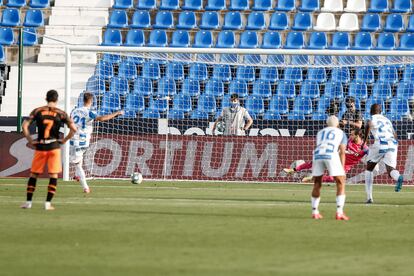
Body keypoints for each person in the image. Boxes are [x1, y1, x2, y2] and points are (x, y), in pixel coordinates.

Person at [21, 90, 77, 210]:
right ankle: (47, 204)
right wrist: (64, 140)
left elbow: (24, 126)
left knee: (34, 174)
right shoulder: (61, 113)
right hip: (54, 147)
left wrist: (30, 140)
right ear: (56, 100)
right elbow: (74, 129)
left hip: (41, 146)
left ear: (46, 98)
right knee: (53, 175)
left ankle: (28, 202)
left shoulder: (38, 111)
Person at [70, 92, 124, 193]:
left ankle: (85, 187)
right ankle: (78, 176)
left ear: (83, 100)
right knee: (78, 163)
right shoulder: (89, 112)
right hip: (84, 142)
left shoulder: (74, 111)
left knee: (77, 164)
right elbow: (102, 118)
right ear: (91, 101)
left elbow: (70, 122)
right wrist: (117, 113)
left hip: (75, 141)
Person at [283, 128, 368, 183]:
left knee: (332, 178)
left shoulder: (364, 148)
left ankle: (313, 178)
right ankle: (292, 170)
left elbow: (369, 154)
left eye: (352, 134)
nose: (350, 136)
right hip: (337, 158)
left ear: (357, 136)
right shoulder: (349, 140)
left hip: (345, 165)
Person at [362, 104, 403, 204]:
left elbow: (368, 124)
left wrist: (364, 142)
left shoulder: (372, 118)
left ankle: (369, 197)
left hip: (380, 143)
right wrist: (395, 144)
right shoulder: (387, 120)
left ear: (371, 111)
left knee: (369, 169)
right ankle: (398, 178)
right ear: (381, 111)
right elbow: (394, 134)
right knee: (390, 170)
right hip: (393, 144)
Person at [311, 115, 349, 220]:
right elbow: (342, 152)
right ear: (337, 124)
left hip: (318, 154)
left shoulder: (320, 132)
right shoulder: (341, 133)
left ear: (327, 124)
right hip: (331, 154)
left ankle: (314, 211)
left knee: (317, 183)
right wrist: (342, 169)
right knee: (340, 182)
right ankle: (339, 212)